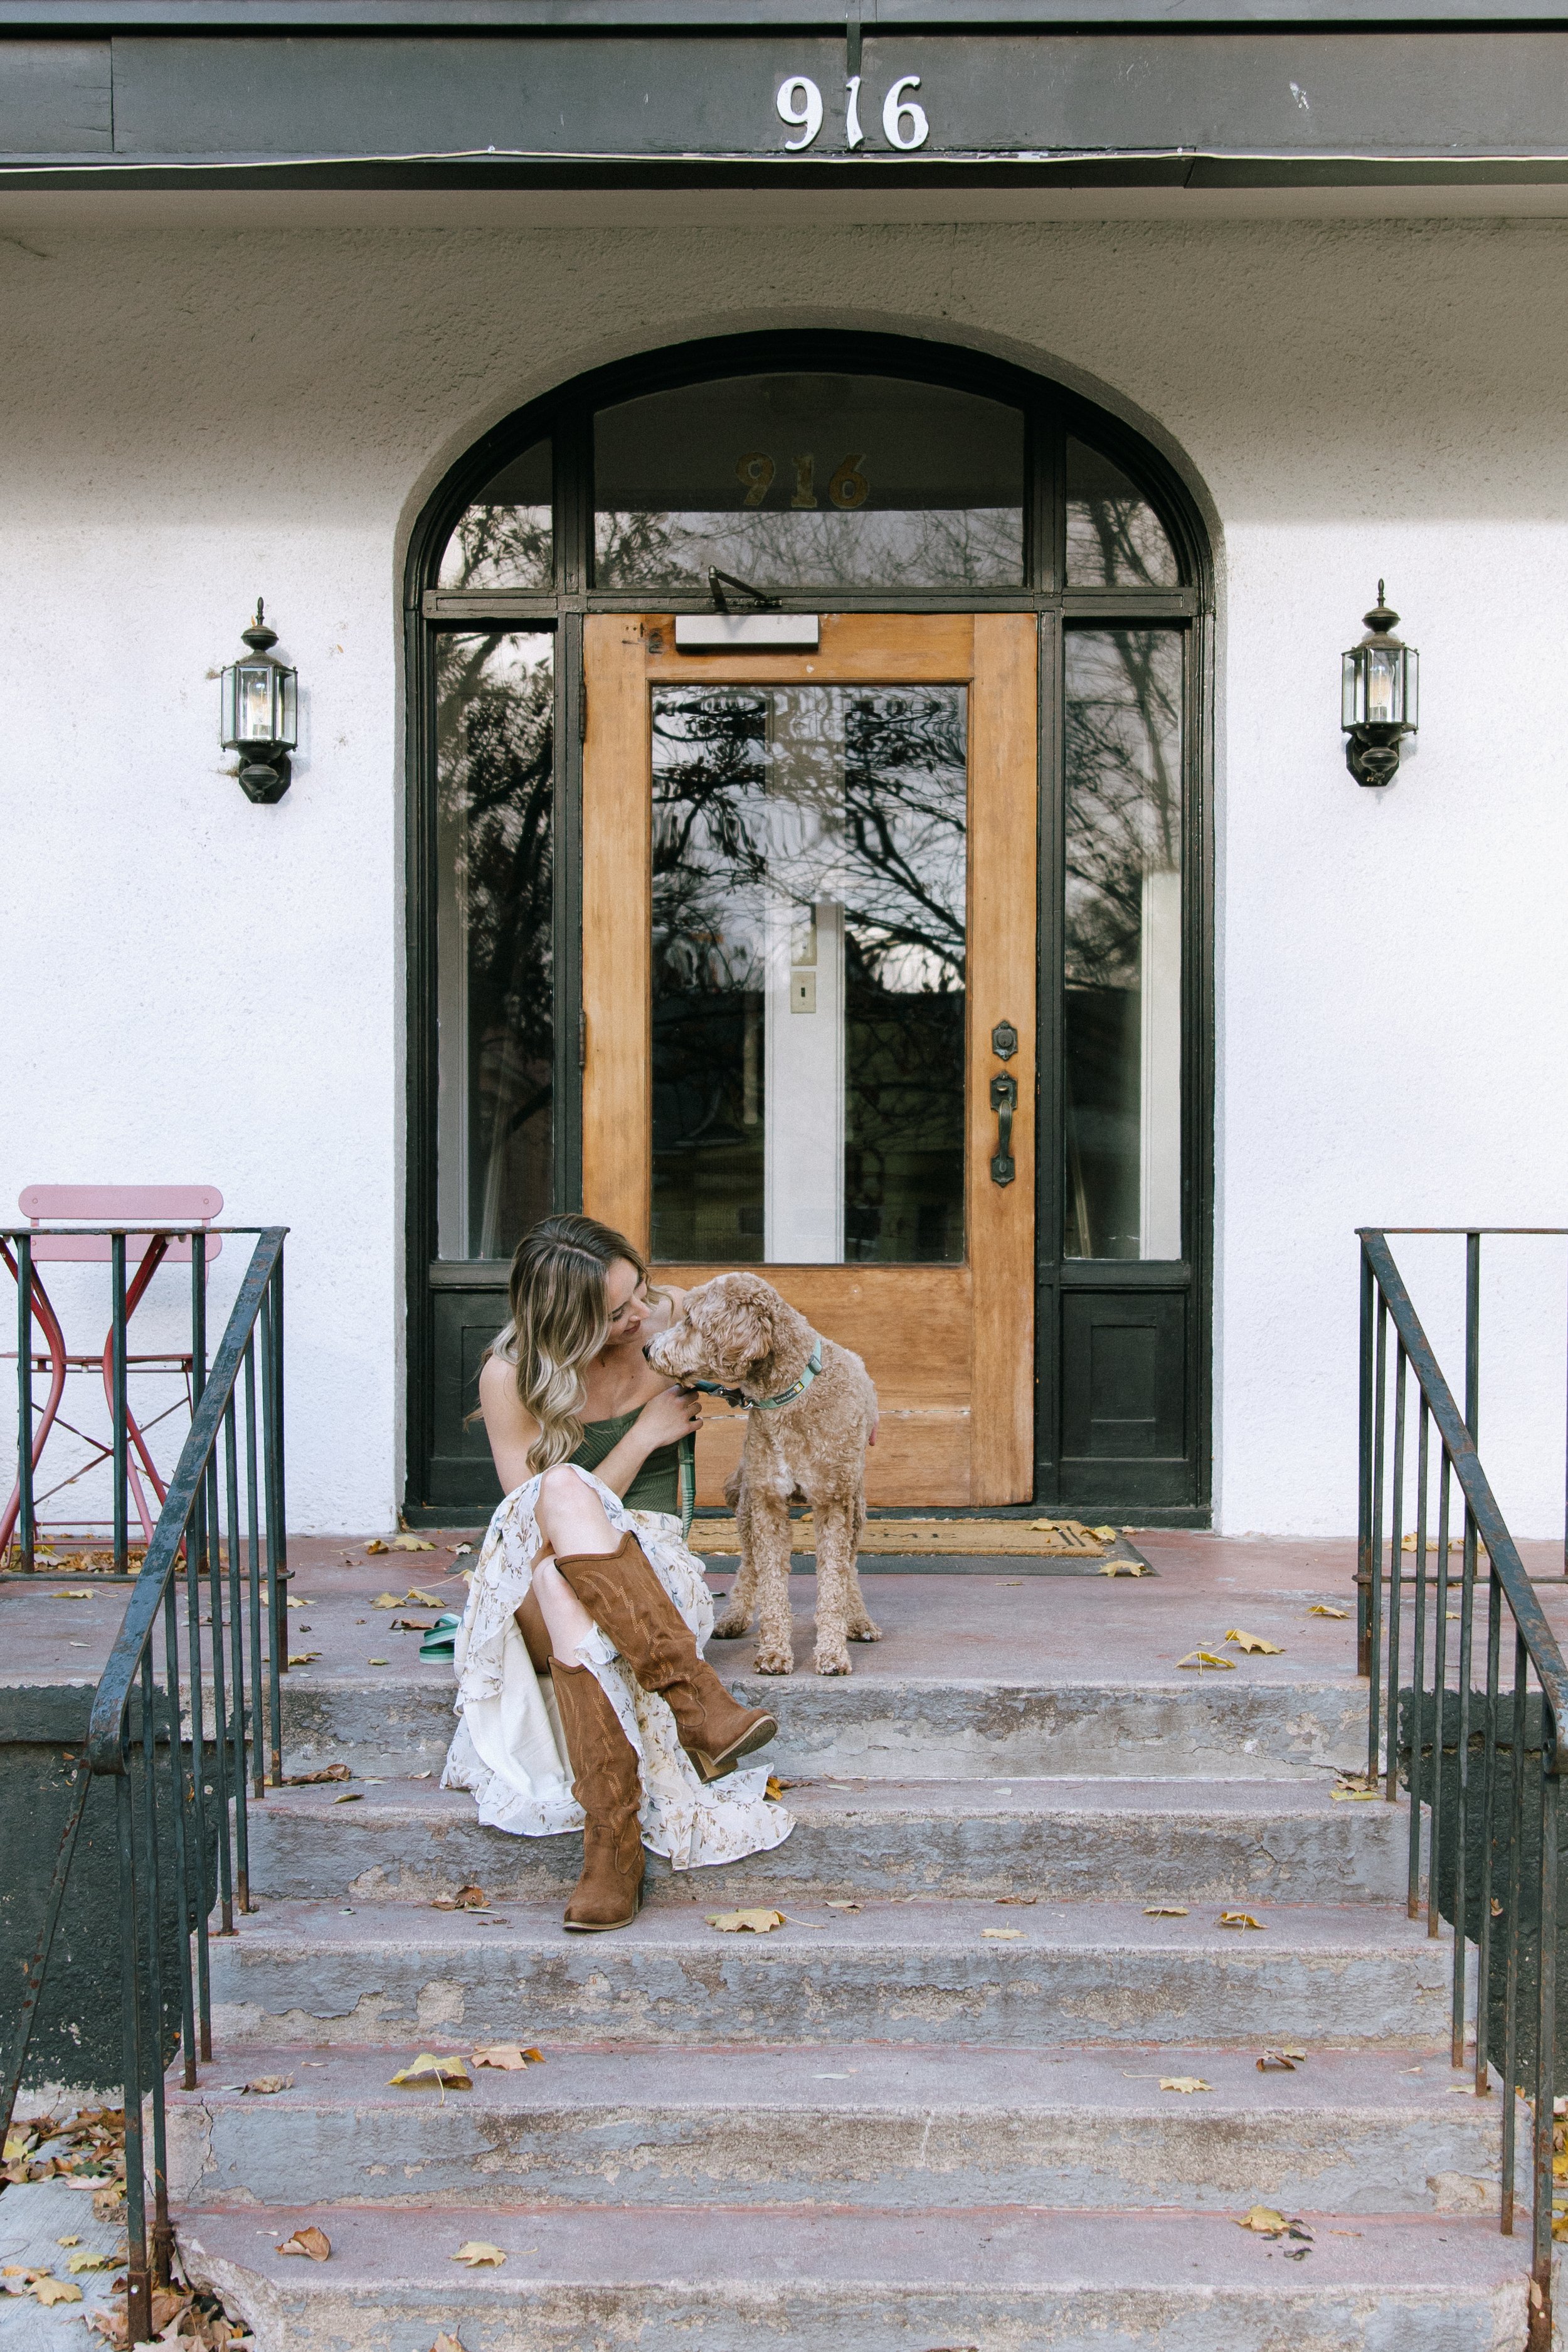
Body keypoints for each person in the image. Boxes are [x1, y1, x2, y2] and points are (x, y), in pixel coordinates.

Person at [442, 1213, 792, 1933]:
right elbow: (530, 1521)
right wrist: (644, 1435)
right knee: (558, 1502)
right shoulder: (511, 1376)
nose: (642, 1316)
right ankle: (698, 1702)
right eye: (615, 1314)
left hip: (652, 1573)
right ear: (565, 1326)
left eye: (638, 1292)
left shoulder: (669, 1317)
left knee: (558, 1587)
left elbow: (787, 1342)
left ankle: (611, 1846)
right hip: (542, 1567)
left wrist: (834, 1400)